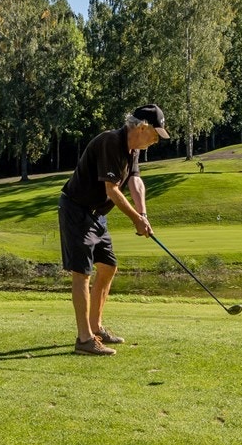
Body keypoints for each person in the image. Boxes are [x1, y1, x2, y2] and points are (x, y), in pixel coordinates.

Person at [57, 105, 168, 355]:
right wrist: (135, 221)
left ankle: (95, 327)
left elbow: (135, 181)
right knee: (82, 273)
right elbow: (112, 190)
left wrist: (144, 214)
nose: (156, 140)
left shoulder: (133, 150)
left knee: (108, 266)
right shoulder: (111, 142)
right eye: (155, 134)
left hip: (97, 216)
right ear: (142, 128)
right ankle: (84, 339)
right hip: (77, 210)